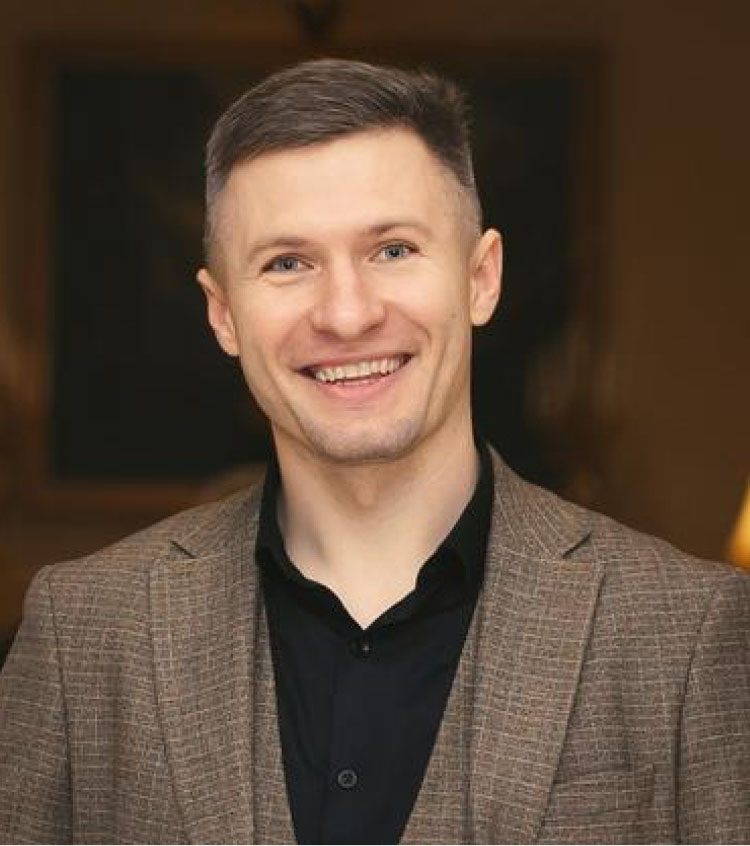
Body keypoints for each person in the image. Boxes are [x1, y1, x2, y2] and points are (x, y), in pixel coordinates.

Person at [1, 58, 749, 845]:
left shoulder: (687, 632)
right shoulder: (83, 630)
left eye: (392, 249)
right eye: (287, 263)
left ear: (481, 277)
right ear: (223, 314)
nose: (347, 314)